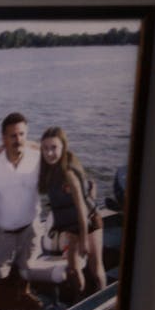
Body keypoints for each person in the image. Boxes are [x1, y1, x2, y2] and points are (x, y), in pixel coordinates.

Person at [0, 112, 43, 310]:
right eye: (12, 136)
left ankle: (24, 293)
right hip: (1, 233)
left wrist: (33, 144)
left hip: (30, 229)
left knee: (27, 268)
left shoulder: (37, 158)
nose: (18, 140)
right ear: (3, 138)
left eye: (22, 134)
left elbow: (59, 151)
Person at [38, 126, 105, 300]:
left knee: (95, 267)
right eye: (45, 148)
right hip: (70, 226)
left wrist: (84, 239)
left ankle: (102, 301)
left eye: (54, 148)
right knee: (73, 269)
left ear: (63, 148)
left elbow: (81, 209)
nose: (49, 153)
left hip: (89, 222)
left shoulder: (68, 174)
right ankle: (79, 299)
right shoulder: (49, 170)